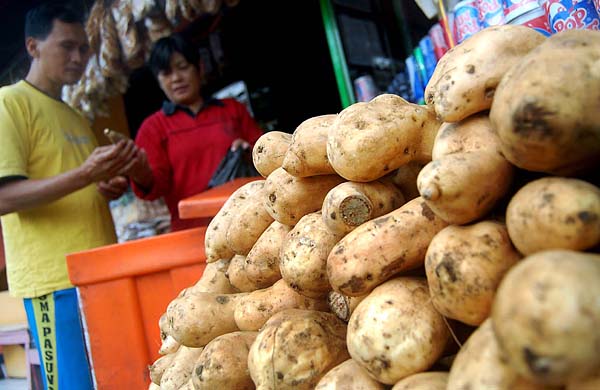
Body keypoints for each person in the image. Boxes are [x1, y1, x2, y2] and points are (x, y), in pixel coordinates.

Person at [0, 3, 138, 389]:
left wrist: (103, 187)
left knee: (111, 380)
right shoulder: (9, 103)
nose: (78, 57)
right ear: (33, 46)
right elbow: (4, 197)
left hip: (98, 271)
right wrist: (85, 174)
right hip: (53, 282)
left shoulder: (75, 114)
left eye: (83, 48)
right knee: (72, 384)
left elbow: (76, 184)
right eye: (66, 47)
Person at [126, 34, 264, 231]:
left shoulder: (233, 110)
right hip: (192, 231)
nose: (176, 78)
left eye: (183, 67)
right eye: (166, 73)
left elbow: (266, 155)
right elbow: (155, 187)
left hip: (246, 223)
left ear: (199, 67)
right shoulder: (153, 128)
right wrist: (140, 173)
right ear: (158, 80)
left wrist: (248, 151)